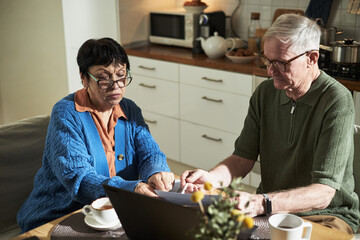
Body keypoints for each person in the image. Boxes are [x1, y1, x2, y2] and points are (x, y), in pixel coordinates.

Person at [180, 14, 360, 234]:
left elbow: (323, 193)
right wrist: (212, 178)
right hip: (271, 211)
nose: (270, 71)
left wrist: (261, 202)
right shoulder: (265, 93)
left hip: (326, 216)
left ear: (312, 58)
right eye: (267, 59)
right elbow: (241, 158)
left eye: (281, 63)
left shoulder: (336, 100)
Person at [17, 38, 174, 232]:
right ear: (84, 78)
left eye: (121, 75)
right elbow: (80, 178)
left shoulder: (130, 109)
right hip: (60, 216)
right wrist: (131, 189)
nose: (116, 85)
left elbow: (150, 153)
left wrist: (156, 172)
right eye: (104, 78)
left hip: (113, 214)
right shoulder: (66, 113)